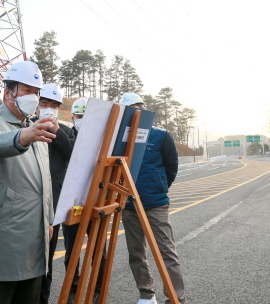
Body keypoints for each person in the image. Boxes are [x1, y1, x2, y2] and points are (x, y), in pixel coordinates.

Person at [0, 60, 55, 304]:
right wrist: (23, 136)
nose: (34, 98)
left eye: (37, 92)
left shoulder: (34, 127)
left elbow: (44, 180)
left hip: (34, 237)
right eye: (27, 91)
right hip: (3, 238)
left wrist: (48, 218)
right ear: (9, 93)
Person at [119, 93, 185, 304]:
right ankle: (146, 294)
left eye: (138, 107)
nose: (135, 112)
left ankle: (176, 296)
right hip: (128, 205)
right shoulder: (118, 137)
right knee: (136, 252)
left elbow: (171, 166)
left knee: (167, 251)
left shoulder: (160, 135)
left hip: (155, 203)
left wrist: (160, 187)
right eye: (130, 109)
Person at [35, 83, 77, 304]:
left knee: (47, 261)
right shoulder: (25, 127)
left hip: (53, 205)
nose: (48, 109)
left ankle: (43, 298)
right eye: (44, 104)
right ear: (36, 105)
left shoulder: (66, 131)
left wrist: (56, 131)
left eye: (53, 105)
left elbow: (71, 153)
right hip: (29, 202)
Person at [61, 96, 106, 304]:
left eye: (86, 116)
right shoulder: (65, 136)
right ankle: (73, 288)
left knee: (99, 251)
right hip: (72, 204)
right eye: (79, 116)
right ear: (72, 117)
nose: (82, 119)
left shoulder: (103, 141)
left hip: (97, 202)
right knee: (72, 251)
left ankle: (98, 289)